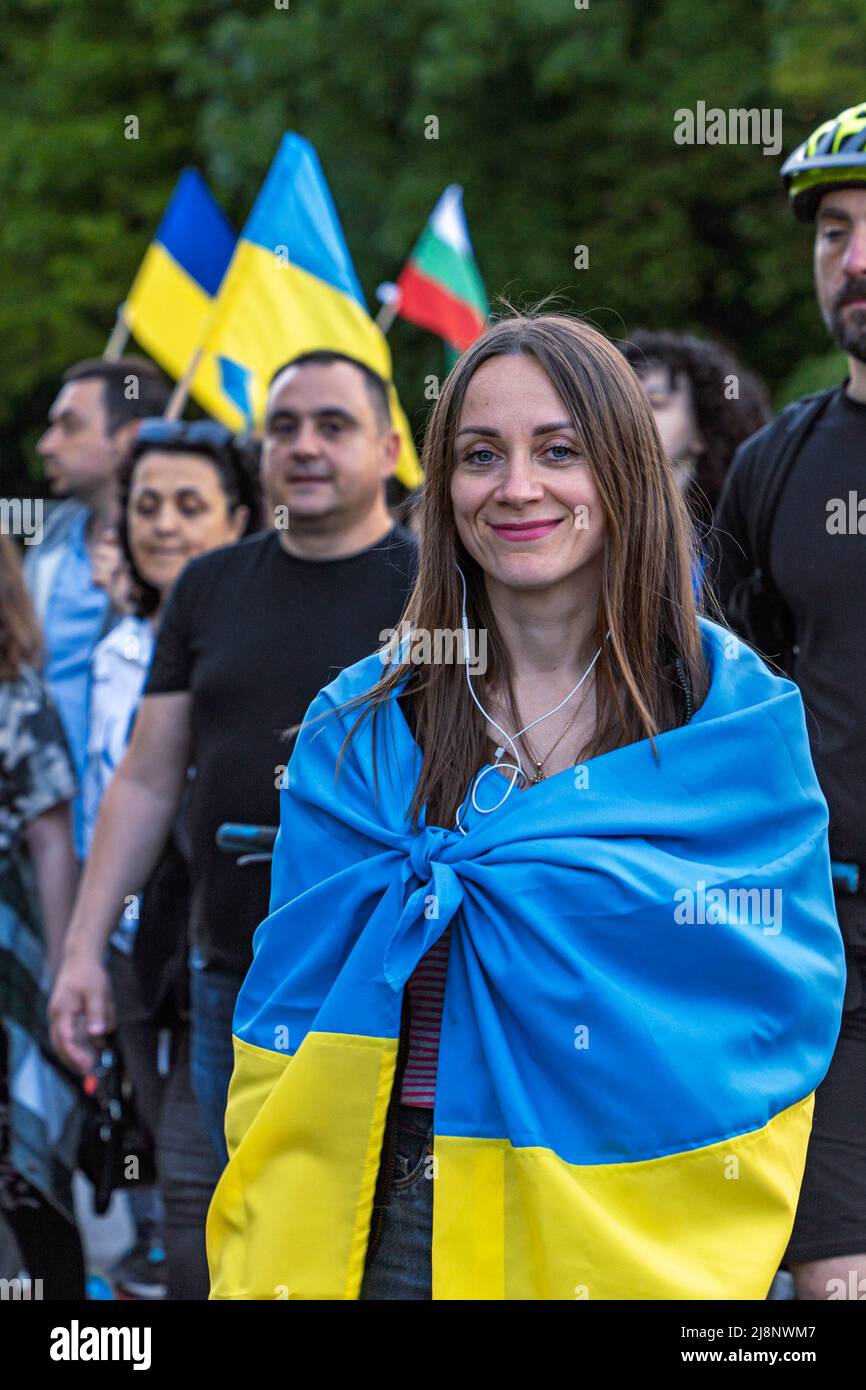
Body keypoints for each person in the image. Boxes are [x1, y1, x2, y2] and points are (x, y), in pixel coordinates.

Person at [206, 312, 845, 1301]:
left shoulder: (728, 721)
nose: (515, 488)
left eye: (559, 451)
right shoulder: (361, 723)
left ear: (625, 472)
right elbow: (286, 1004)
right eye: (477, 455)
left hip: (631, 1222)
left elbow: (780, 993)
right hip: (382, 1217)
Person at [50, 351, 418, 1172]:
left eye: (334, 425)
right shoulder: (207, 587)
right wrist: (81, 949)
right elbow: (146, 780)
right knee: (225, 1228)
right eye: (283, 427)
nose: (305, 446)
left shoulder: (437, 590)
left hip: (393, 977)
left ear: (390, 449)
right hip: (232, 971)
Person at [714, 101, 866, 1301]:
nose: (853, 260)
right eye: (831, 230)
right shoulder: (773, 465)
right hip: (831, 956)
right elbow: (723, 709)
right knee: (829, 1284)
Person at [80, 420, 259, 1300]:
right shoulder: (111, 642)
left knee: (209, 1190)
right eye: (146, 505)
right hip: (132, 952)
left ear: (240, 519)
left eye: (191, 505)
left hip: (217, 952)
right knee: (164, 1177)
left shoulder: (245, 637)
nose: (163, 525)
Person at [25, 357, 171, 858]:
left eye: (69, 426)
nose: (47, 444)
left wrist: (142, 611)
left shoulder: (189, 556)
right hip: (49, 834)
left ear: (128, 438)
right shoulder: (48, 542)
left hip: (146, 840)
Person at [0, 535, 84, 1299]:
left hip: (6, 965)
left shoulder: (16, 691)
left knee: (22, 1172)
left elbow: (50, 836)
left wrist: (64, 970)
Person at [618, 330, 770, 519]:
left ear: (702, 432)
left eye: (656, 402)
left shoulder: (740, 525)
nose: (635, 416)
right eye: (625, 404)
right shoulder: (598, 520)